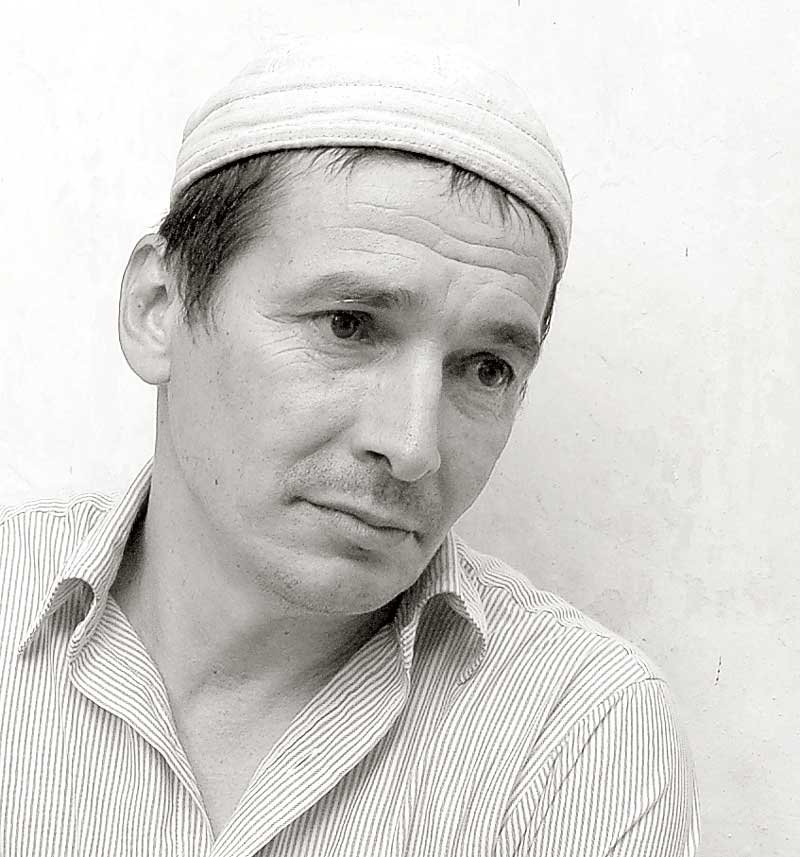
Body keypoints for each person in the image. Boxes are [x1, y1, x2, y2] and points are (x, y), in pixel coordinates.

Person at [0, 34, 699, 856]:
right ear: (160, 307)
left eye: (486, 367)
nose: (413, 446)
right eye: (348, 325)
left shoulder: (579, 736)